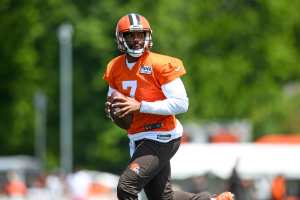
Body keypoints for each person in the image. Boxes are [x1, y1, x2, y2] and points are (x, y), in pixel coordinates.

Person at [103, 13, 234, 200]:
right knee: (162, 198)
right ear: (120, 39)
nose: (136, 39)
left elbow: (182, 104)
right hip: (137, 136)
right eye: (130, 35)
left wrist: (140, 106)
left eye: (140, 34)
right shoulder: (114, 67)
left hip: (162, 135)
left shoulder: (159, 64)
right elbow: (115, 103)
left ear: (148, 36)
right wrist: (113, 111)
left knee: (126, 186)